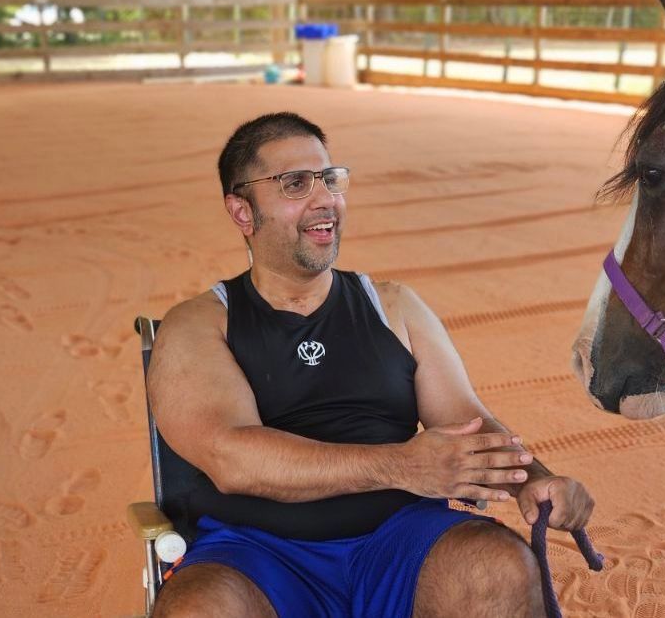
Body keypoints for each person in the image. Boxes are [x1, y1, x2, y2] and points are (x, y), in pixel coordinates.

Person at [148, 112, 595, 618]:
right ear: (242, 211)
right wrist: (402, 465)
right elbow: (233, 460)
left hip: (401, 539)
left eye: (330, 179)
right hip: (258, 554)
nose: (325, 200)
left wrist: (532, 478)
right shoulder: (199, 324)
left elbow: (466, 421)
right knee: (200, 612)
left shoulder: (395, 306)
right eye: (296, 184)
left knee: (498, 567)